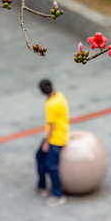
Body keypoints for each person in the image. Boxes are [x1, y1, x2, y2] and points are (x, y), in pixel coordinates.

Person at [35, 79, 69, 207]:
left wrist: (46, 142)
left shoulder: (50, 104)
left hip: (55, 138)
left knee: (52, 166)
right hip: (58, 134)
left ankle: (58, 195)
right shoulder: (60, 96)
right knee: (39, 157)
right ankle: (41, 186)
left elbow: (52, 125)